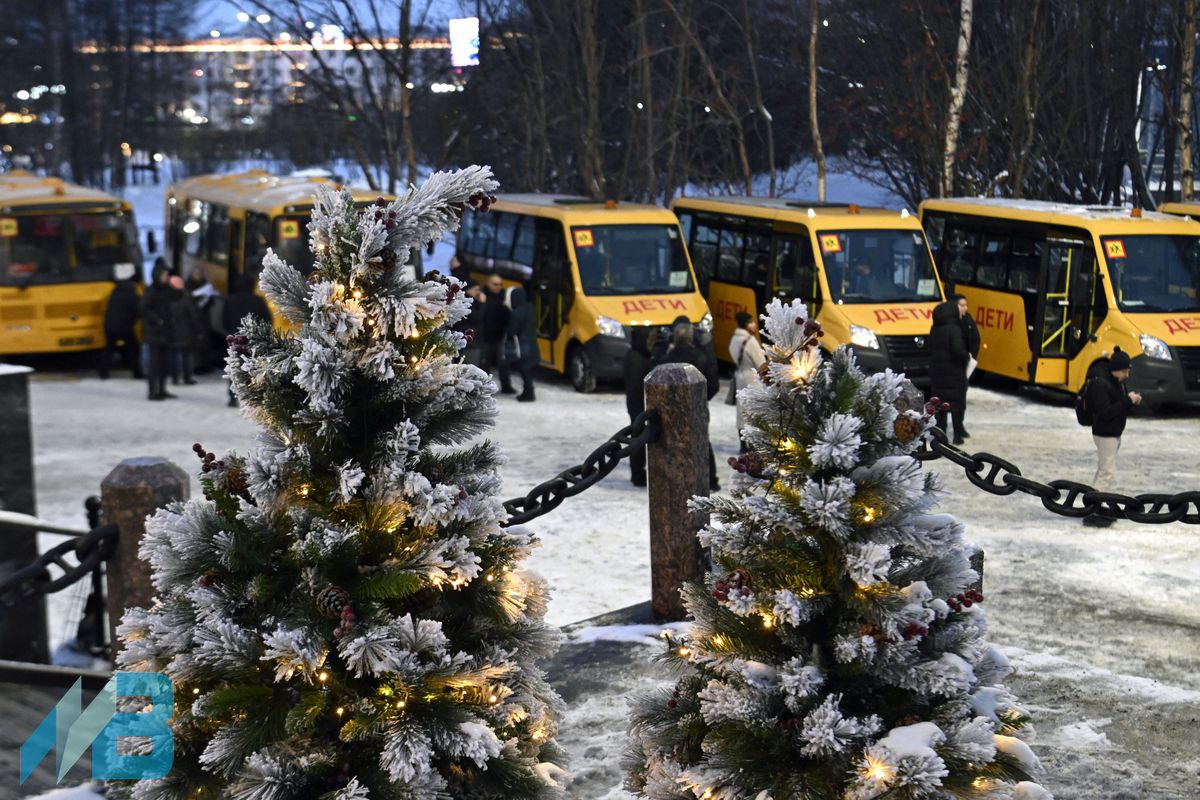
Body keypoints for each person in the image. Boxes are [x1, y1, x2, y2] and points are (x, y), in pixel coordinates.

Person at [655, 316, 721, 491]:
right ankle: (711, 479)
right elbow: (713, 384)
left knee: (673, 442)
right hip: (697, 407)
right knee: (702, 442)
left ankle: (677, 479)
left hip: (674, 408)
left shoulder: (667, 359)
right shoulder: (702, 357)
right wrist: (701, 399)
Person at [1083, 347, 1141, 527]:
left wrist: (1131, 402)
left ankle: (1094, 505)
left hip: (1113, 433)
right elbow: (1106, 412)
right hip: (1104, 433)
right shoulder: (1101, 384)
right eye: (1124, 370)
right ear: (1115, 369)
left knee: (1103, 471)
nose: (1127, 374)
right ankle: (1094, 509)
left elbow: (1118, 407)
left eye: (1128, 371)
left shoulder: (1116, 382)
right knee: (1107, 474)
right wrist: (1127, 401)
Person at [222, 272, 273, 407]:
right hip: (254, 338)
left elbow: (224, 319)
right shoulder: (257, 301)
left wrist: (229, 332)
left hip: (235, 338)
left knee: (234, 366)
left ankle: (233, 396)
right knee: (253, 367)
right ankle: (254, 396)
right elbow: (268, 319)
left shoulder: (230, 299)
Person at [925, 300, 969, 444]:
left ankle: (940, 436)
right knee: (956, 405)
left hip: (938, 373)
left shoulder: (934, 328)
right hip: (954, 373)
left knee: (940, 406)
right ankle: (957, 436)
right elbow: (957, 350)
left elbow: (929, 347)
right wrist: (966, 356)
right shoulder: (954, 329)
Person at [728, 310, 765, 452]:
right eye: (751, 322)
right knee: (754, 413)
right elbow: (761, 364)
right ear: (746, 324)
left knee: (742, 413)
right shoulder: (750, 341)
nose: (754, 325)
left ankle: (743, 445)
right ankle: (754, 445)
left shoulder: (734, 339)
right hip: (752, 380)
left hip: (740, 377)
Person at [140, 263, 177, 401]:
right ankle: (152, 392)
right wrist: (157, 319)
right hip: (154, 333)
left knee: (164, 364)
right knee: (154, 365)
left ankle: (162, 389)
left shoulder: (167, 289)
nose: (167, 277)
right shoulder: (152, 290)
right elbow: (143, 308)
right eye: (164, 275)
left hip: (166, 331)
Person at [623, 326, 654, 487]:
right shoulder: (637, 358)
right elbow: (636, 386)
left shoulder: (633, 355)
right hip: (639, 405)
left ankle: (638, 472)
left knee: (638, 437)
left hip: (635, 404)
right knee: (638, 439)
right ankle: (638, 474)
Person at [99, 274, 143, 379]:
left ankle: (103, 373)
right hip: (124, 325)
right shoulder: (132, 293)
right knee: (133, 349)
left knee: (109, 348)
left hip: (109, 324)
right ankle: (137, 373)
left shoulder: (116, 290)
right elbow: (137, 309)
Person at [951, 293, 981, 439]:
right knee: (951, 398)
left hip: (965, 365)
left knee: (961, 399)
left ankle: (959, 426)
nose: (965, 308)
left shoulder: (968, 320)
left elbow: (976, 338)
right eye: (962, 305)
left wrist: (972, 356)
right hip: (952, 366)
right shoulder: (951, 323)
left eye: (965, 305)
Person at [479, 273, 514, 394]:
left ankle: (506, 386)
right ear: (488, 283)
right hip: (485, 336)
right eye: (495, 284)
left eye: (500, 284)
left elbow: (508, 316)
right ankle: (484, 388)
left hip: (500, 336)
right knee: (484, 364)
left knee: (503, 363)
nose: (498, 286)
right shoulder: (482, 296)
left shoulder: (504, 296)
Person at [504, 285, 538, 402]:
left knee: (524, 369)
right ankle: (528, 391)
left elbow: (512, 331)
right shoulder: (530, 308)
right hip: (532, 342)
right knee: (528, 369)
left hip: (522, 345)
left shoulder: (516, 313)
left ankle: (528, 393)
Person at [168, 273, 200, 386]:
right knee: (186, 355)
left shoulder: (166, 299)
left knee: (173, 355)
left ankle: (174, 378)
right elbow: (193, 315)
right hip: (186, 330)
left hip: (171, 330)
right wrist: (197, 330)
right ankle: (187, 377)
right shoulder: (186, 299)